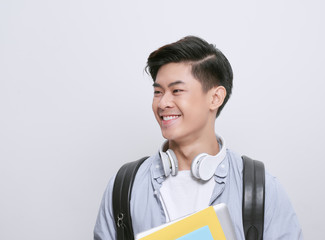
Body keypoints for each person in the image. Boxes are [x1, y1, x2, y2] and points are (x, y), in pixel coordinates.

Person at [94, 36, 303, 239]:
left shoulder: (260, 189)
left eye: (176, 90)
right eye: (158, 92)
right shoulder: (124, 187)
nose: (163, 103)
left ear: (215, 97)